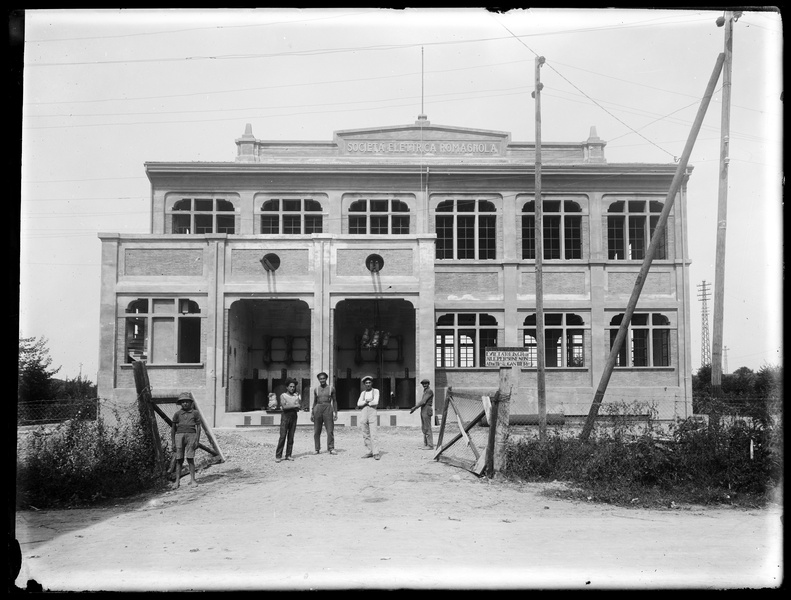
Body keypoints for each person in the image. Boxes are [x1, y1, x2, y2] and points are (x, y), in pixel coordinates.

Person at [171, 392, 202, 488]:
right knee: (179, 459)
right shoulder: (177, 414)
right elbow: (173, 429)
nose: (185, 403)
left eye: (187, 402)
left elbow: (198, 427)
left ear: (191, 403)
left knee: (190, 458)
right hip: (179, 436)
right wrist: (173, 442)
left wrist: (197, 440)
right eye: (183, 402)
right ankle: (177, 481)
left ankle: (193, 480)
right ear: (180, 404)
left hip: (191, 435)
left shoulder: (195, 413)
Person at [311, 371, 338, 454]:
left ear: (326, 379)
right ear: (318, 379)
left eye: (323, 378)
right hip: (318, 408)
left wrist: (335, 413)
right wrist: (312, 413)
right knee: (316, 431)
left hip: (328, 408)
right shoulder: (316, 389)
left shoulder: (331, 388)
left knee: (330, 430)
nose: (322, 380)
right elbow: (314, 401)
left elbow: (334, 401)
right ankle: (317, 448)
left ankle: (331, 448)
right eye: (320, 379)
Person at [275, 378, 301, 462]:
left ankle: (288, 455)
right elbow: (284, 407)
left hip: (293, 416)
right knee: (282, 436)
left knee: (291, 436)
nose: (292, 388)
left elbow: (298, 408)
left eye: (293, 387)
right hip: (285, 417)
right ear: (287, 387)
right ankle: (278, 456)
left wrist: (292, 405)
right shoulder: (283, 395)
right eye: (290, 386)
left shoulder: (296, 396)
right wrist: (294, 406)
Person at [356, 375, 380, 460]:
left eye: (369, 382)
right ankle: (369, 451)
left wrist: (366, 402)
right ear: (364, 384)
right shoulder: (363, 393)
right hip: (363, 412)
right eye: (366, 383)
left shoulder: (376, 391)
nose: (368, 384)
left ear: (372, 383)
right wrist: (367, 401)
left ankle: (376, 452)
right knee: (365, 433)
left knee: (373, 432)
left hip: (372, 412)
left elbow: (375, 402)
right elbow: (358, 403)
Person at [410, 378, 435, 449]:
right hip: (423, 409)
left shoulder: (429, 391)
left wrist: (414, 408)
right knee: (424, 427)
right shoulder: (425, 391)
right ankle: (426, 444)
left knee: (427, 427)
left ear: (428, 384)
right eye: (423, 384)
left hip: (427, 409)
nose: (424, 385)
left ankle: (430, 445)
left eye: (426, 383)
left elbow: (423, 401)